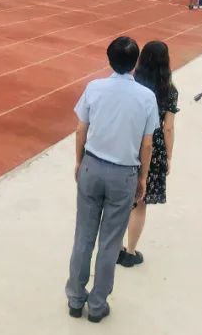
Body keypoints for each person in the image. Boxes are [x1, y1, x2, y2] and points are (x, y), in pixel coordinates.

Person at [66, 37, 158, 323]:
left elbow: (81, 129)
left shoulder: (95, 88)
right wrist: (142, 177)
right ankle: (97, 305)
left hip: (93, 166)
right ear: (135, 63)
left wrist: (80, 162)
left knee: (84, 235)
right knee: (110, 241)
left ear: (110, 60)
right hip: (123, 174)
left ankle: (75, 298)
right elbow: (147, 144)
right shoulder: (146, 97)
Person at [120, 40, 177, 268]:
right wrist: (169, 157)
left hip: (130, 142)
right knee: (140, 202)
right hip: (153, 148)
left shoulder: (132, 83)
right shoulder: (169, 90)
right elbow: (168, 127)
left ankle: (114, 247)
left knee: (121, 200)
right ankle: (130, 251)